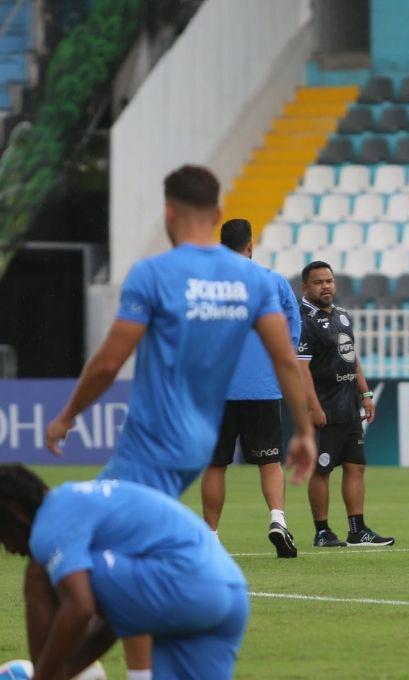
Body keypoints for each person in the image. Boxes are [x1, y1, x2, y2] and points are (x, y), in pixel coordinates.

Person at [42, 165, 316, 679]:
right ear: (216, 215)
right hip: (194, 443)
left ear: (168, 211)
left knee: (64, 550)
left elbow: (107, 362)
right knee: (125, 553)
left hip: (155, 442)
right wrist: (302, 431)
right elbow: (286, 359)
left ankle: (71, 671)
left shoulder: (153, 274)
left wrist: (65, 417)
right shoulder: (255, 280)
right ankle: (142, 668)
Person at [0, 465, 249, 679]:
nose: (8, 548)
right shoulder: (72, 501)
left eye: (2, 534)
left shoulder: (49, 523)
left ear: (16, 510)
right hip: (232, 593)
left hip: (186, 586)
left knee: (39, 572)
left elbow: (80, 607)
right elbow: (116, 617)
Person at [200, 219, 303, 558]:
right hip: (263, 386)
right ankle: (278, 519)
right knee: (270, 461)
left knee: (216, 465)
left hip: (217, 389)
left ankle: (211, 536)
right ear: (250, 244)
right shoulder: (272, 281)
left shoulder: (206, 286)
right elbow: (292, 333)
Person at [299, 260, 393, 548]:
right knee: (322, 469)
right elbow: (300, 369)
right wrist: (313, 407)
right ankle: (322, 531)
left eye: (329, 280)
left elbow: (351, 358)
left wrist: (365, 394)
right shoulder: (303, 321)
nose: (325, 286)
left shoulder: (342, 316)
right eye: (318, 282)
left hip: (348, 405)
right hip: (323, 407)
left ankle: (357, 529)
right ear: (305, 287)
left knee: (355, 466)